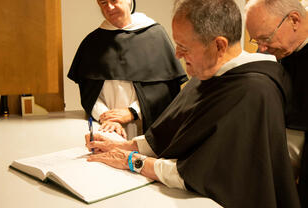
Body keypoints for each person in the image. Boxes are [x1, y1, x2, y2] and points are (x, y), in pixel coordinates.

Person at [84, 0, 301, 207]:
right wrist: (126, 146)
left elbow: (205, 174)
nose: (177, 54)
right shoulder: (207, 72)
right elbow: (174, 132)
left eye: (184, 47)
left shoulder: (254, 92)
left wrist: (132, 161)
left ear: (219, 46)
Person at [67, 0, 186, 140]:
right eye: (103, 3)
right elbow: (88, 93)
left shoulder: (155, 35)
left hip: (147, 132)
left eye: (114, 0)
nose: (109, 7)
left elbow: (166, 90)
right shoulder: (92, 42)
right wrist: (106, 116)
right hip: (107, 129)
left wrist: (133, 112)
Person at [245, 0, 308, 206]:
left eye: (266, 38)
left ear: (294, 20)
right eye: (256, 40)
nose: (263, 48)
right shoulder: (278, 50)